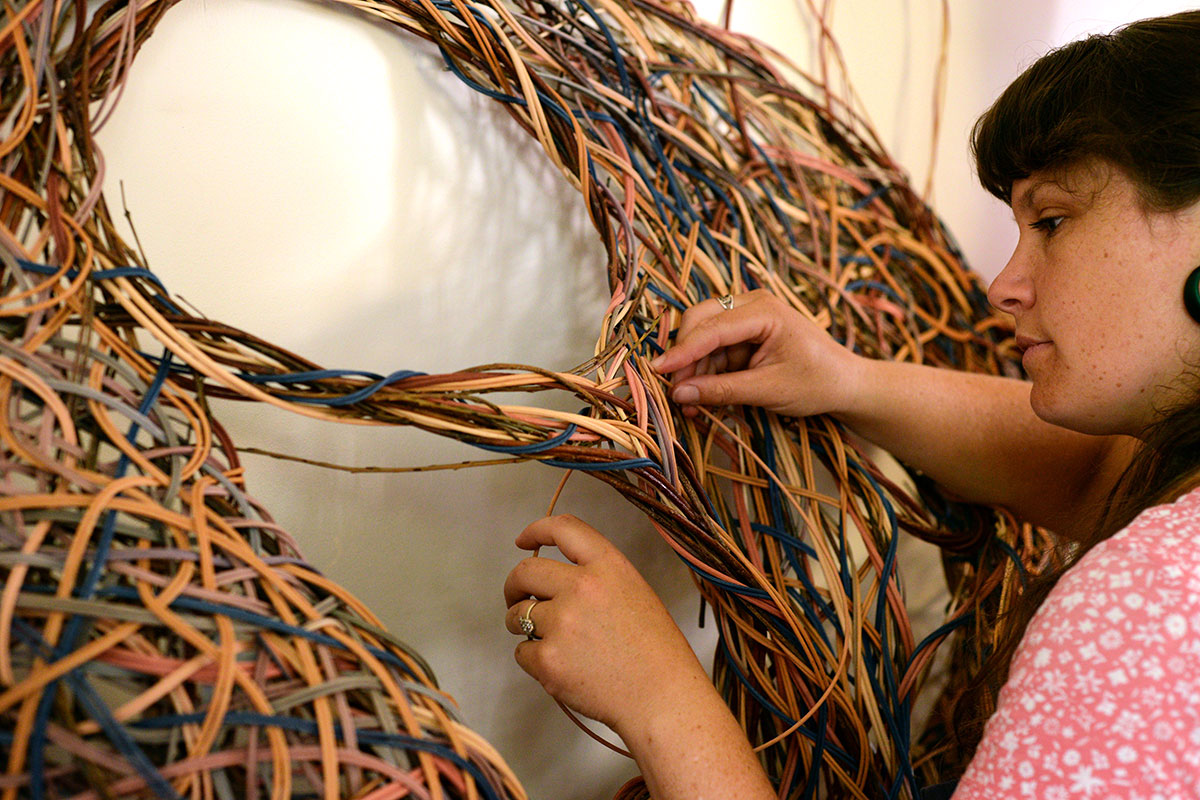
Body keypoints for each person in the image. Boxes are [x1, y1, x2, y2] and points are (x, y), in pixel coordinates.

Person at [503, 11, 1200, 798]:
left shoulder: (1149, 613)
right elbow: (1098, 480)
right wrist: (846, 380)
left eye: (1052, 221)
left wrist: (661, 701)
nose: (1005, 286)